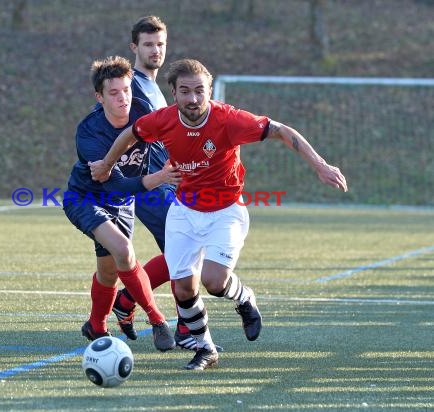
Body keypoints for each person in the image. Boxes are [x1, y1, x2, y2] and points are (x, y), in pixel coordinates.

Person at [90, 58, 348, 370]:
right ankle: (206, 348)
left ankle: (244, 298)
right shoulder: (163, 120)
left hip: (226, 211)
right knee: (184, 286)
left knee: (213, 281)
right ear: (173, 93)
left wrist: (320, 164)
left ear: (209, 91)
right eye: (185, 91)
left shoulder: (229, 119)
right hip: (184, 211)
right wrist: (106, 163)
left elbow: (280, 130)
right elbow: (131, 133)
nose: (193, 98)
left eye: (200, 91)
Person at [62, 55, 181, 352]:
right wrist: (158, 179)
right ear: (99, 97)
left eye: (126, 90)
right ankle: (157, 321)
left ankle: (96, 326)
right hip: (86, 198)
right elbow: (112, 182)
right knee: (124, 250)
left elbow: (176, 138)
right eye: (113, 93)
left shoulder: (144, 113)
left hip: (123, 204)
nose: (122, 98)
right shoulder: (89, 132)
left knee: (109, 272)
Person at [106, 15, 205, 351]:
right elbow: (122, 133)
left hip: (168, 180)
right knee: (185, 249)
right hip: (149, 184)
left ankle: (127, 300)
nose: (155, 50)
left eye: (160, 44)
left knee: (183, 250)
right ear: (134, 47)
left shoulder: (153, 86)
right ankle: (186, 330)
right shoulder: (132, 88)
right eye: (148, 44)